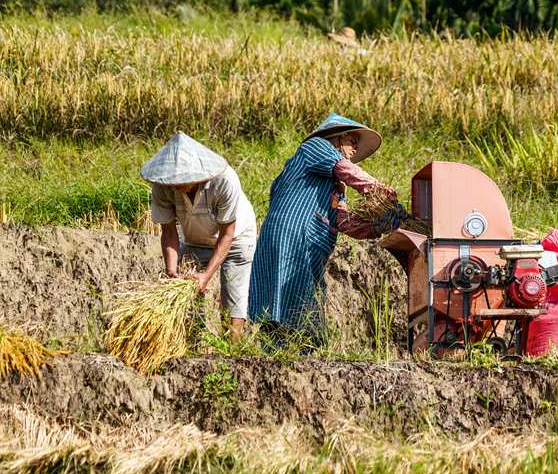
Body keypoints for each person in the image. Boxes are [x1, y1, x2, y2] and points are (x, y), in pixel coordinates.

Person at [248, 113, 402, 346]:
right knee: (290, 300)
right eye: (352, 143)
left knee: (300, 305)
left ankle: (287, 352)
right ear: (337, 139)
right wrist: (379, 191)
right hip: (292, 235)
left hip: (310, 246)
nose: (353, 151)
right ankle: (283, 351)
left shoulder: (334, 186)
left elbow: (344, 222)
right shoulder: (315, 147)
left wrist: (378, 225)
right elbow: (348, 170)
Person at [141, 131, 257, 340]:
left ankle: (232, 350)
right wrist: (171, 271)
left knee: (233, 293)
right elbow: (168, 231)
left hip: (236, 237)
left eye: (180, 180)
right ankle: (193, 345)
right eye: (170, 181)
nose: (173, 185)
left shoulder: (224, 181)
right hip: (195, 238)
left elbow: (227, 234)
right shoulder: (162, 185)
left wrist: (206, 275)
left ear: (195, 175)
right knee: (188, 291)